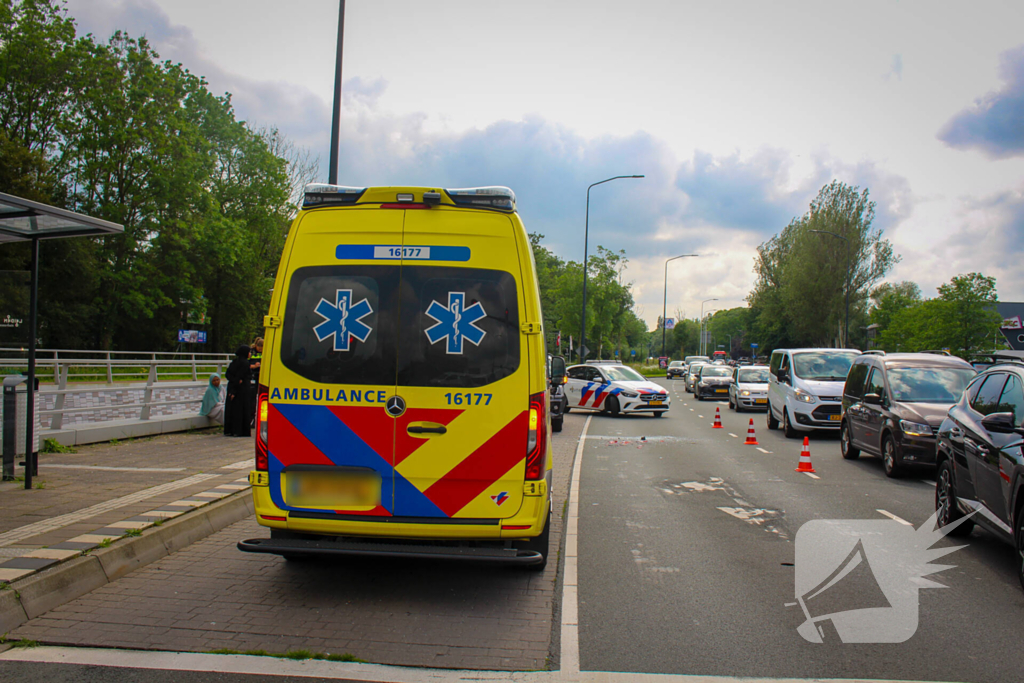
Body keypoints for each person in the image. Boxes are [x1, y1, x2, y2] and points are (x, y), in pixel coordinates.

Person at [224, 345, 251, 437]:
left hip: (232, 386)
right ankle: (241, 430)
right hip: (242, 390)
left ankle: (230, 429)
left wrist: (232, 388)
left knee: (232, 409)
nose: (250, 354)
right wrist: (235, 388)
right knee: (242, 410)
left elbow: (228, 374)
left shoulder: (234, 362)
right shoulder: (245, 363)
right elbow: (241, 376)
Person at [249, 337, 263, 423]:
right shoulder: (251, 352)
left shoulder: (267, 351)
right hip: (253, 376)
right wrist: (254, 366)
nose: (261, 349)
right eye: (259, 347)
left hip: (261, 376)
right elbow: (245, 364)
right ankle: (252, 418)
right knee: (252, 399)